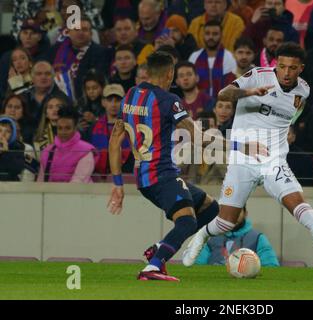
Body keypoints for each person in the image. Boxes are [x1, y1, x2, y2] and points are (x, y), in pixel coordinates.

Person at [182, 42, 313, 282]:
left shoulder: (303, 91)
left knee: (304, 212)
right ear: (275, 65)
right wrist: (248, 93)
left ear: (301, 68)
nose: (286, 72)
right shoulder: (258, 76)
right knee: (225, 223)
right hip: (243, 160)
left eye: (292, 68)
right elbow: (223, 94)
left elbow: (290, 114)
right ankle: (201, 236)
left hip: (273, 162)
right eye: (282, 66)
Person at [106, 51, 264, 281]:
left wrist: (118, 184)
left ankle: (160, 248)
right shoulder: (170, 100)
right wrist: (242, 147)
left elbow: (114, 140)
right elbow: (198, 137)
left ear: (147, 71)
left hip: (144, 176)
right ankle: (153, 267)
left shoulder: (130, 96)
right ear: (170, 73)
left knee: (211, 210)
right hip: (162, 175)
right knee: (187, 221)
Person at [195, 206, 280, 266]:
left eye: (237, 212)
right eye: (228, 212)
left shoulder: (258, 238)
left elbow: (271, 266)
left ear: (245, 213)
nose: (232, 216)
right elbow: (197, 266)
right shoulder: (212, 238)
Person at [37, 107, 97, 183]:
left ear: (75, 128)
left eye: (67, 128)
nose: (63, 132)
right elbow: (40, 182)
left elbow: (78, 183)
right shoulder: (47, 151)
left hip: (78, 194)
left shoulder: (85, 151)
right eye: (60, 128)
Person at [88, 84, 133, 181]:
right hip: (98, 180)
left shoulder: (132, 128)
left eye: (117, 100)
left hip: (125, 179)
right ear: (103, 102)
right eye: (109, 100)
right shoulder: (92, 128)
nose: (113, 104)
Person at [188, 20, 237, 98]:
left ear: (221, 36)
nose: (211, 37)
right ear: (203, 35)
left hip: (222, 103)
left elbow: (230, 85)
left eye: (215, 34)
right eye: (207, 33)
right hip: (199, 103)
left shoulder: (229, 57)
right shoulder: (194, 57)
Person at [0, 116, 25, 181]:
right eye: (0, 130)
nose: (3, 134)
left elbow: (17, 169)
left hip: (10, 185)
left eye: (8, 131)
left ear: (13, 134)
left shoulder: (18, 147)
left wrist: (6, 153)